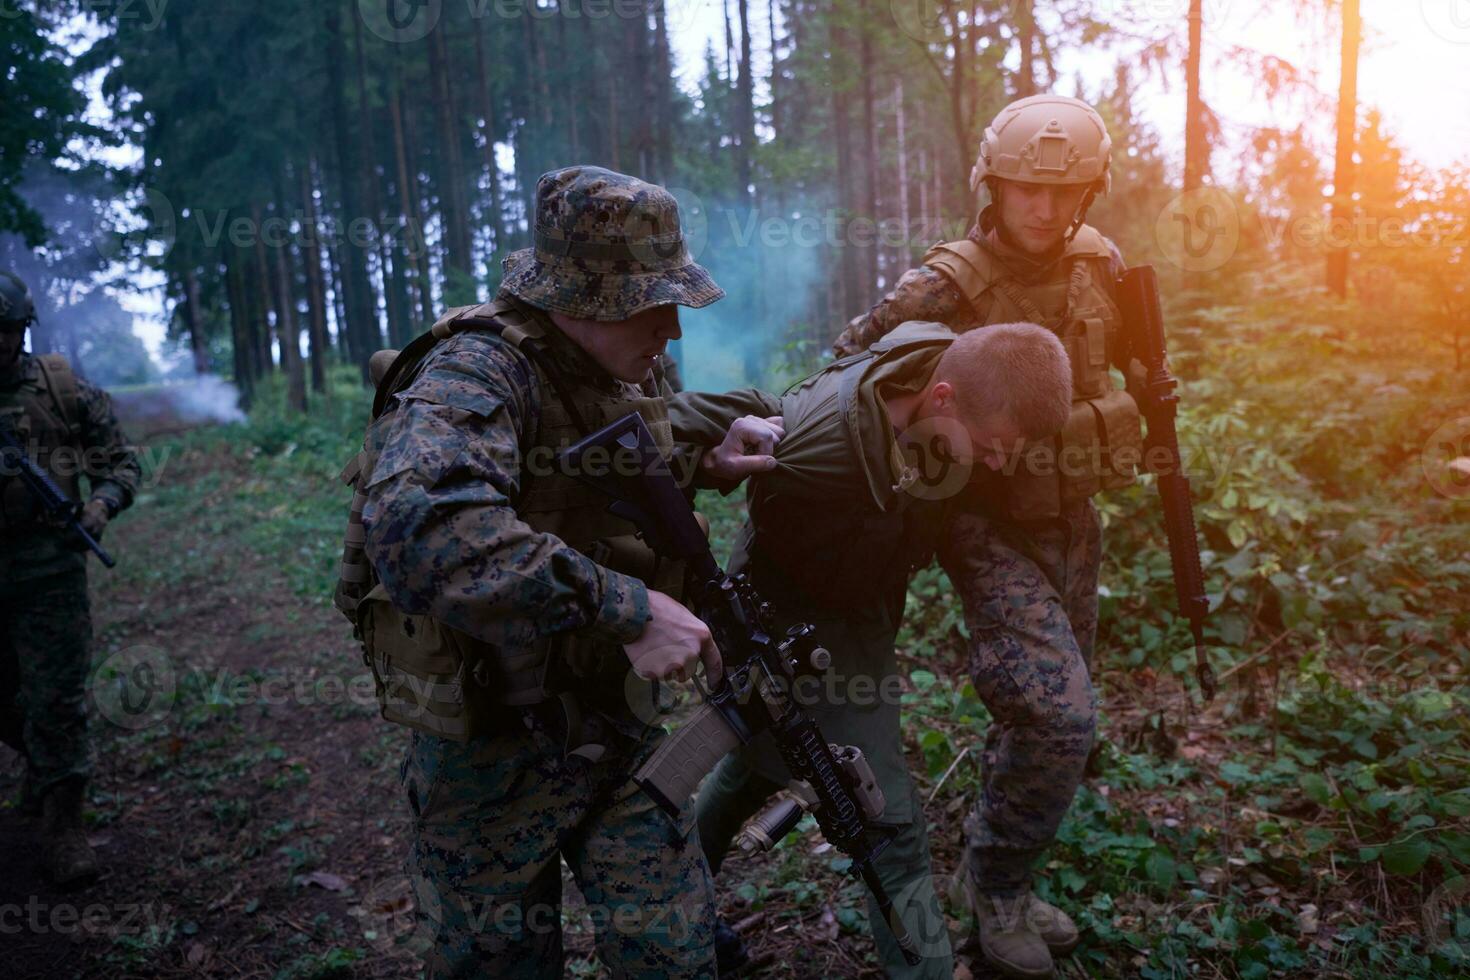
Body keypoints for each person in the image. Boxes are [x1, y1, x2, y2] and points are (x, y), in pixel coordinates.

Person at [355, 166, 784, 979]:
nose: (673, 330)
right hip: (491, 753)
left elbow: (593, 480)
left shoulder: (626, 367)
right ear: (580, 298)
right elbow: (422, 529)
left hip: (615, 728)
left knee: (677, 961)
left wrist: (705, 460)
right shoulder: (475, 373)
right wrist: (630, 608)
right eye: (653, 304)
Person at [827, 93, 1143, 978]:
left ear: (1090, 190)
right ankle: (996, 894)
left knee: (1048, 719)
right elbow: (850, 373)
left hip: (1073, 517)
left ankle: (998, 875)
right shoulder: (944, 282)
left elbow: (1121, 368)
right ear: (990, 184)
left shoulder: (1101, 265)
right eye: (1023, 189)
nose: (1043, 208)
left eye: (1065, 190)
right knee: (1058, 708)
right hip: (983, 523)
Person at [671, 319, 1080, 979]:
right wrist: (707, 469)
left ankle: (673, 892)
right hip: (786, 626)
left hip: (858, 612)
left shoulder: (935, 360)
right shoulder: (819, 440)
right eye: (992, 447)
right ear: (943, 398)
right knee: (886, 823)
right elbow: (669, 425)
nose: (999, 464)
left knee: (753, 764)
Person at [0, 269, 139, 887]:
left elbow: (121, 462)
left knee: (57, 699)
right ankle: (40, 765)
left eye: (4, 332)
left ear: (21, 331)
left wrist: (100, 505)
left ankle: (65, 826)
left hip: (50, 571)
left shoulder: (60, 391)